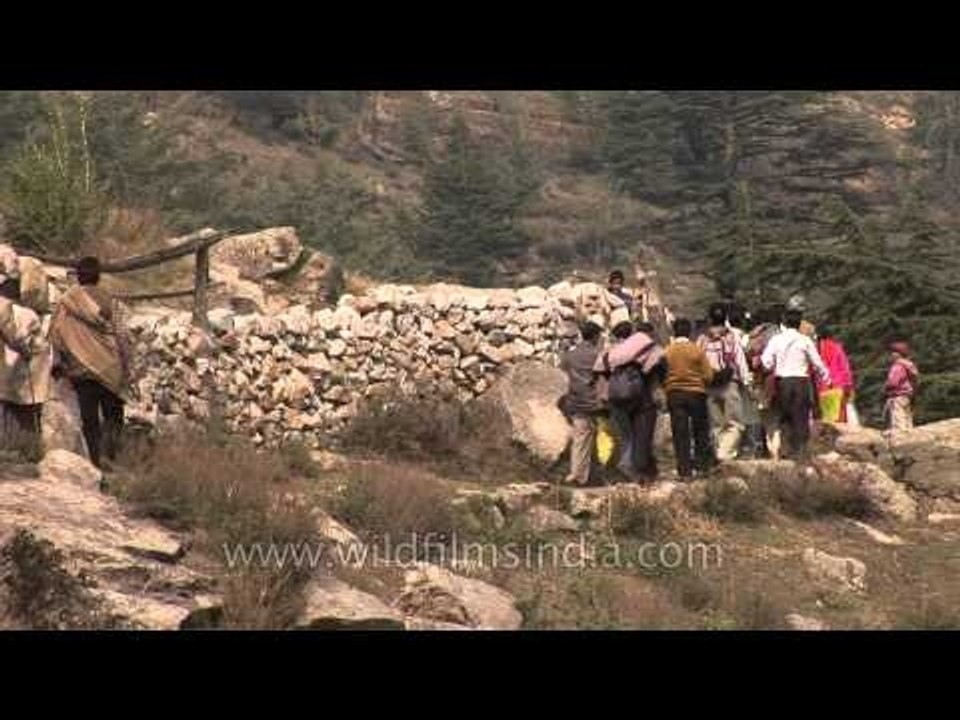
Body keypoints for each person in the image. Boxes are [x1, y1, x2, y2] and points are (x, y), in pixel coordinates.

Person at [50, 256, 131, 469]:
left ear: (78, 276)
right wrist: (127, 367)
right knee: (113, 416)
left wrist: (60, 364)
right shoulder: (111, 301)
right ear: (98, 276)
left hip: (81, 367)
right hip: (110, 368)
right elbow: (122, 337)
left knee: (89, 419)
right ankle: (111, 459)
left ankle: (94, 462)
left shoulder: (67, 302)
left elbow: (56, 334)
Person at [594, 309, 664, 483]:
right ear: (632, 333)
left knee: (625, 436)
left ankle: (627, 470)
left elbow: (598, 373)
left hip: (616, 399)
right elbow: (654, 368)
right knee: (641, 437)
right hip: (640, 398)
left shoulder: (609, 353)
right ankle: (631, 468)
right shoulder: (641, 350)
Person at [0, 245, 52, 459]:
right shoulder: (24, 313)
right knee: (25, 413)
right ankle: (24, 452)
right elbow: (27, 341)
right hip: (20, 373)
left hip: (10, 372)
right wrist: (33, 347)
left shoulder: (17, 311)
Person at [761, 308, 831, 461]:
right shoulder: (805, 340)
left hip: (782, 382)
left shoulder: (776, 340)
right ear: (799, 323)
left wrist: (775, 365)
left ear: (785, 322)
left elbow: (766, 362)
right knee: (801, 418)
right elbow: (817, 363)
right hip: (801, 382)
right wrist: (826, 377)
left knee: (785, 417)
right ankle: (800, 453)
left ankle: (785, 452)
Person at [697, 303, 750, 461]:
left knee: (716, 424)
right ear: (725, 318)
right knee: (734, 423)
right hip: (729, 384)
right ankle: (726, 453)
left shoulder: (702, 339)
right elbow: (739, 360)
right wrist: (746, 382)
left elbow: (697, 361)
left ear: (709, 318)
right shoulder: (731, 337)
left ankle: (719, 451)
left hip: (709, 385)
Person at [664, 318, 715, 478]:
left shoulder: (667, 351)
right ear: (690, 332)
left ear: (674, 332)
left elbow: (662, 374)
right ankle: (702, 466)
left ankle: (684, 470)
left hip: (674, 394)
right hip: (696, 393)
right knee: (700, 430)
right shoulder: (696, 350)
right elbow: (708, 375)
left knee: (680, 432)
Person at [559, 317, 605, 486]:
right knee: (592, 437)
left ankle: (581, 474)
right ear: (595, 337)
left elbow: (562, 367)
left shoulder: (571, 355)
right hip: (594, 401)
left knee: (582, 437)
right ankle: (581, 476)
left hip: (576, 400)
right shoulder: (597, 355)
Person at [744, 307, 782, 458]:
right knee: (776, 417)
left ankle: (767, 447)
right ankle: (776, 449)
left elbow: (749, 358)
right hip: (776, 378)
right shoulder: (777, 333)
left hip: (759, 380)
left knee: (764, 417)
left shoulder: (752, 337)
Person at [815, 325, 855, 423]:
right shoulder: (836, 347)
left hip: (822, 388)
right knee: (840, 421)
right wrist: (849, 386)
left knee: (827, 419)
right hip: (838, 386)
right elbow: (845, 368)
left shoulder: (816, 349)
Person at [884, 341, 918, 431]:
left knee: (897, 417)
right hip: (908, 395)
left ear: (897, 354)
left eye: (892, 352)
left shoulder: (897, 366)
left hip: (897, 395)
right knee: (907, 417)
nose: (890, 355)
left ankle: (900, 434)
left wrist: (886, 387)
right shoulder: (909, 365)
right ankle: (909, 432)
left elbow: (893, 382)